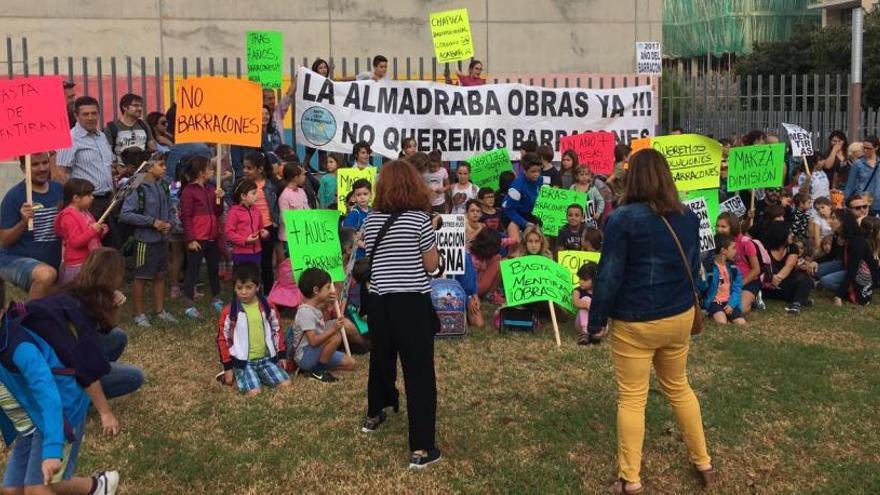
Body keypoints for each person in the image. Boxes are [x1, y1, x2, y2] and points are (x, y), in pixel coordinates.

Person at [588, 149, 714, 493]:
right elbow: (694, 266)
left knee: (632, 399)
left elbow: (609, 275)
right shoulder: (688, 216)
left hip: (636, 321)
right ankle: (703, 461)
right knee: (680, 387)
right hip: (679, 315)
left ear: (633, 178)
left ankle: (630, 479)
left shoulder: (622, 219)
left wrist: (596, 321)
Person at [359, 160, 442, 469]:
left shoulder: (371, 219)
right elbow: (431, 265)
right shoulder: (420, 220)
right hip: (411, 302)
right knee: (419, 372)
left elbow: (374, 257)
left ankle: (374, 414)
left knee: (381, 359)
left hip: (379, 301)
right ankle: (422, 447)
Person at [0, 308, 120, 495]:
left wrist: (52, 449)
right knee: (12, 490)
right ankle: (98, 486)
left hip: (58, 415)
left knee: (36, 490)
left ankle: (97, 486)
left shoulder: (20, 348)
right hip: (30, 423)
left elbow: (49, 397)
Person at [118, 156, 177, 327]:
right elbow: (125, 214)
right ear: (149, 167)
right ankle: (138, 313)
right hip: (145, 240)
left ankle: (159, 310)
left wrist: (170, 223)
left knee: (160, 275)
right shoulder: (136, 186)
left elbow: (171, 208)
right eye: (161, 164)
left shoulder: (164, 185)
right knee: (141, 277)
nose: (165, 168)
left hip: (162, 239)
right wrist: (152, 222)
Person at [217, 263, 290, 395]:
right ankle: (238, 375)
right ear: (234, 288)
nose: (244, 292)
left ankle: (257, 375)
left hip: (266, 359)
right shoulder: (230, 311)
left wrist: (281, 355)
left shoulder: (268, 306)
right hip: (243, 363)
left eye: (249, 287)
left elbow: (277, 330)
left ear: (258, 286)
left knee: (286, 384)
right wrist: (228, 367)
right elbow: (223, 339)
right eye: (239, 287)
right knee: (255, 392)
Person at [0, 153, 63, 299]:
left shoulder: (59, 190)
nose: (42, 168)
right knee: (46, 275)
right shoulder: (13, 196)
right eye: (35, 165)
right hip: (15, 260)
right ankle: (29, 314)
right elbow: (4, 241)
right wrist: (23, 222)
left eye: (45, 163)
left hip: (51, 264)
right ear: (23, 168)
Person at [289, 267, 357, 382]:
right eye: (328, 287)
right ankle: (317, 371)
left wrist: (332, 302)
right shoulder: (305, 312)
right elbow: (313, 341)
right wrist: (334, 329)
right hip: (305, 356)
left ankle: (315, 367)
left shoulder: (315, 307)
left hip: (317, 351)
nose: (330, 290)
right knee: (335, 337)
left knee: (351, 363)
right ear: (316, 290)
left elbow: (326, 318)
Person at [179, 156, 225, 319]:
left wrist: (220, 199)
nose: (212, 171)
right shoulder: (188, 191)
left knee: (213, 269)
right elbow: (186, 216)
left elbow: (218, 212)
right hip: (198, 238)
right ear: (200, 172)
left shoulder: (211, 189)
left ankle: (216, 297)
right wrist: (191, 239)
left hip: (212, 236)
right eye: (210, 168)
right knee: (193, 270)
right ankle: (188, 303)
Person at [817, 208, 877, 305]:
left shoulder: (857, 240)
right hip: (845, 264)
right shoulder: (838, 234)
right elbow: (831, 255)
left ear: (843, 222)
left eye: (833, 218)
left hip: (861, 272)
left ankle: (847, 291)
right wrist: (814, 262)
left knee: (826, 281)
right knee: (817, 270)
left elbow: (853, 270)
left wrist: (839, 295)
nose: (829, 221)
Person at [55, 178, 107, 284]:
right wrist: (93, 230)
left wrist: (100, 230)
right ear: (76, 198)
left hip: (90, 261)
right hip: (77, 265)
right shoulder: (68, 216)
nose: (92, 197)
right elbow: (75, 242)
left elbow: (92, 236)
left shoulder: (86, 212)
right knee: (76, 292)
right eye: (89, 195)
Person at [241, 153, 281, 291]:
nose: (245, 171)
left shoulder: (271, 184)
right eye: (244, 167)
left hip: (267, 227)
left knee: (266, 261)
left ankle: (268, 290)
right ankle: (251, 288)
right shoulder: (243, 185)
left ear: (260, 169)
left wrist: (276, 222)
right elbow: (231, 197)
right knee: (251, 261)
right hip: (249, 228)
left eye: (249, 168)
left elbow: (277, 203)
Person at [761, 222, 814, 314]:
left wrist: (777, 279)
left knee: (807, 281)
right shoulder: (765, 248)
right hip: (769, 283)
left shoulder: (793, 247)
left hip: (784, 281)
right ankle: (799, 298)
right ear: (780, 234)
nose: (792, 235)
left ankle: (796, 304)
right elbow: (765, 267)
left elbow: (789, 266)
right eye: (789, 233)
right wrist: (772, 279)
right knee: (772, 272)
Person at [715, 212, 761, 313]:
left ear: (732, 227)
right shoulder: (717, 241)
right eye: (717, 226)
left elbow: (756, 270)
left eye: (723, 226)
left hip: (747, 281)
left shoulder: (746, 242)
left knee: (738, 308)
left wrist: (739, 284)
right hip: (725, 282)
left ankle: (753, 299)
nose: (719, 229)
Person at [701, 234, 747, 325]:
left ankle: (727, 315)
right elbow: (702, 288)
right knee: (722, 322)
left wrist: (732, 304)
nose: (736, 251)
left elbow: (737, 289)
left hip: (729, 301)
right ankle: (711, 313)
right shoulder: (709, 268)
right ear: (723, 251)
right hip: (715, 302)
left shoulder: (734, 268)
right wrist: (702, 277)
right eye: (733, 248)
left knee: (741, 323)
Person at [225, 179, 268, 270]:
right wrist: (244, 240)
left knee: (255, 275)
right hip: (241, 254)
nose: (257, 195)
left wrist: (264, 233)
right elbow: (229, 233)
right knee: (242, 276)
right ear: (243, 196)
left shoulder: (257, 210)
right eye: (254, 193)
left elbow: (261, 228)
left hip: (256, 252)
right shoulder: (233, 212)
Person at [502, 153, 543, 245]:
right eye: (533, 171)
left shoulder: (540, 180)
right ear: (525, 170)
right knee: (516, 244)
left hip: (528, 213)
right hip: (511, 214)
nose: (537, 174)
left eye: (538, 171)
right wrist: (525, 223)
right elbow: (508, 209)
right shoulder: (516, 187)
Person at [103, 93, 156, 160]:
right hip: (120, 166)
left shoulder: (144, 125)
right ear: (124, 107)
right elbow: (106, 153)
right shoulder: (111, 127)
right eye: (135, 105)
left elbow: (152, 149)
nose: (140, 108)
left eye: (141, 106)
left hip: (143, 165)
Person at [277, 163, 310, 253]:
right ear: (296, 177)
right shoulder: (285, 195)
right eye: (303, 175)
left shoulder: (302, 191)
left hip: (303, 234)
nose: (304, 177)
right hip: (290, 237)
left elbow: (307, 209)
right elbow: (284, 219)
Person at [844, 136, 880, 216]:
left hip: (878, 203)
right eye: (864, 148)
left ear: (876, 148)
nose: (865, 150)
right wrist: (846, 202)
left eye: (868, 148)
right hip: (862, 204)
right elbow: (850, 185)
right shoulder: (857, 164)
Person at [343, 179, 373, 258]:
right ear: (354, 197)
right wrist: (363, 245)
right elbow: (349, 235)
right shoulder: (354, 214)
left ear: (371, 194)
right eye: (358, 195)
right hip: (358, 257)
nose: (362, 197)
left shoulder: (373, 211)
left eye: (365, 194)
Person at [573, 262, 596, 345]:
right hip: (581, 324)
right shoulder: (577, 291)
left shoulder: (600, 292)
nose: (581, 281)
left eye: (585, 279)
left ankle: (595, 333)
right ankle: (585, 332)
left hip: (597, 323)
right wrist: (587, 305)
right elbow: (575, 302)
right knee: (586, 299)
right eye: (580, 278)